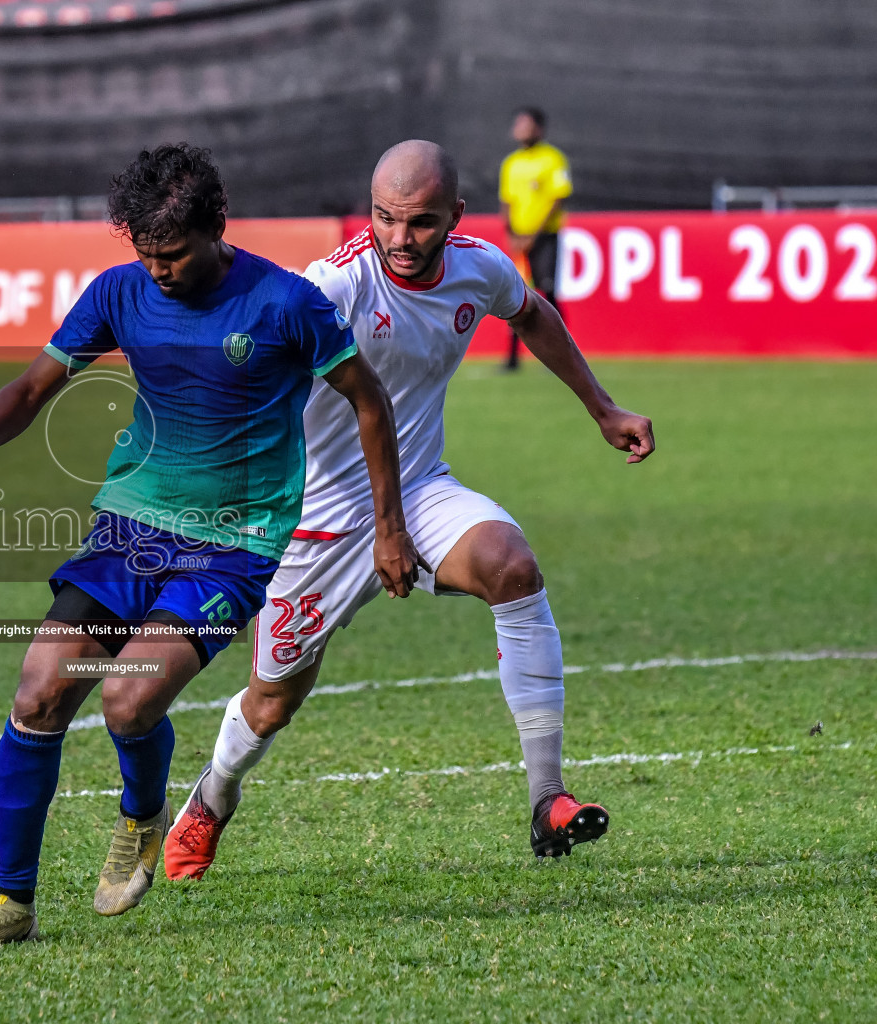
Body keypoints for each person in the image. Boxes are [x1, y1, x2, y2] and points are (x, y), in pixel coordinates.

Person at [0, 143, 423, 948]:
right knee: (40, 693)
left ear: (215, 228)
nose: (156, 270)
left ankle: (142, 813)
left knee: (128, 697)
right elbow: (32, 386)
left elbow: (369, 401)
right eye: (144, 253)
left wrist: (390, 528)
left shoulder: (285, 302)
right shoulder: (119, 292)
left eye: (172, 254)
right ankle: (11, 904)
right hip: (128, 526)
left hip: (234, 543)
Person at [164, 140, 655, 882]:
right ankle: (212, 795)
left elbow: (532, 313)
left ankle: (547, 798)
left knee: (512, 567)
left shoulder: (479, 267)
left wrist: (602, 407)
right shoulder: (335, 287)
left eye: (421, 222)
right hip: (316, 521)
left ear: (455, 216)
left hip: (419, 489)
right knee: (271, 703)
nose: (401, 238)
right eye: (386, 219)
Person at [498, 107, 571, 371]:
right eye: (518, 124)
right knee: (516, 296)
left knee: (548, 294)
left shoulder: (553, 159)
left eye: (526, 124)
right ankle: (512, 358)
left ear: (539, 128)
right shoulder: (511, 163)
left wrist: (533, 235)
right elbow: (506, 202)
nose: (520, 129)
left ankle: (563, 354)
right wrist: (511, 234)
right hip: (519, 241)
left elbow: (558, 198)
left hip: (545, 238)